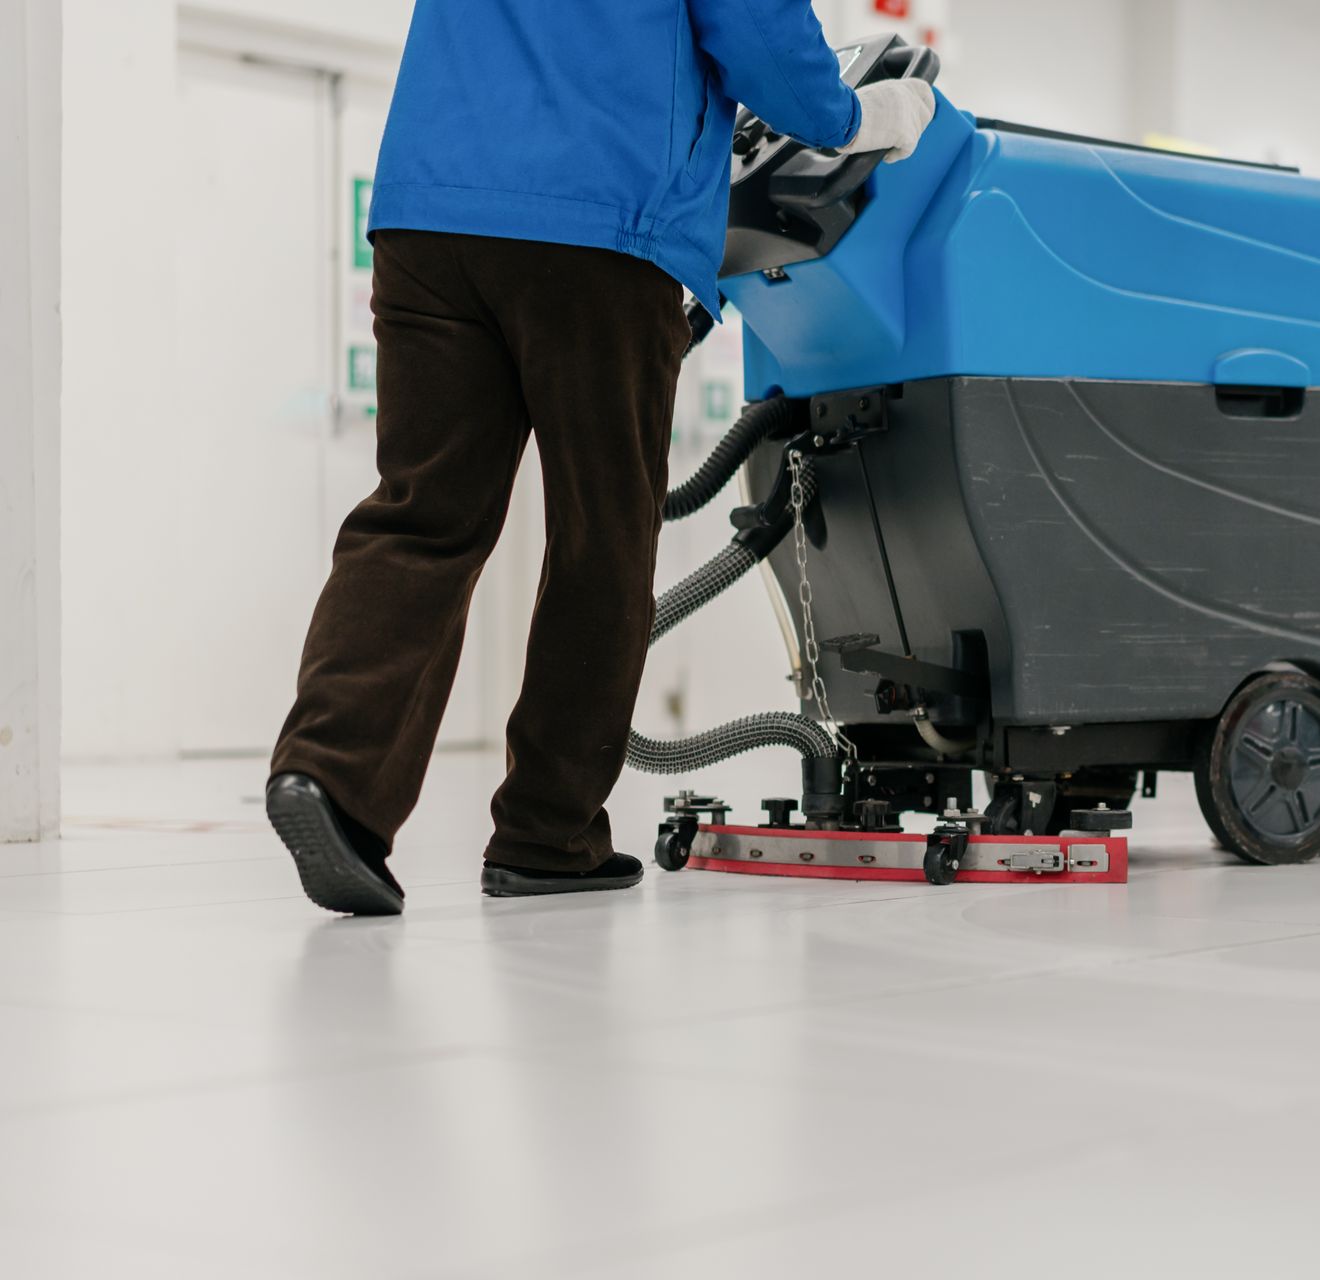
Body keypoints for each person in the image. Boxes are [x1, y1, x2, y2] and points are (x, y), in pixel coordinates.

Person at [263, 0, 936, 916]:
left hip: (430, 210)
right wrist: (862, 118)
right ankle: (547, 835)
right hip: (598, 222)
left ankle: (329, 781)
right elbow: (762, 34)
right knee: (602, 540)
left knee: (422, 513)